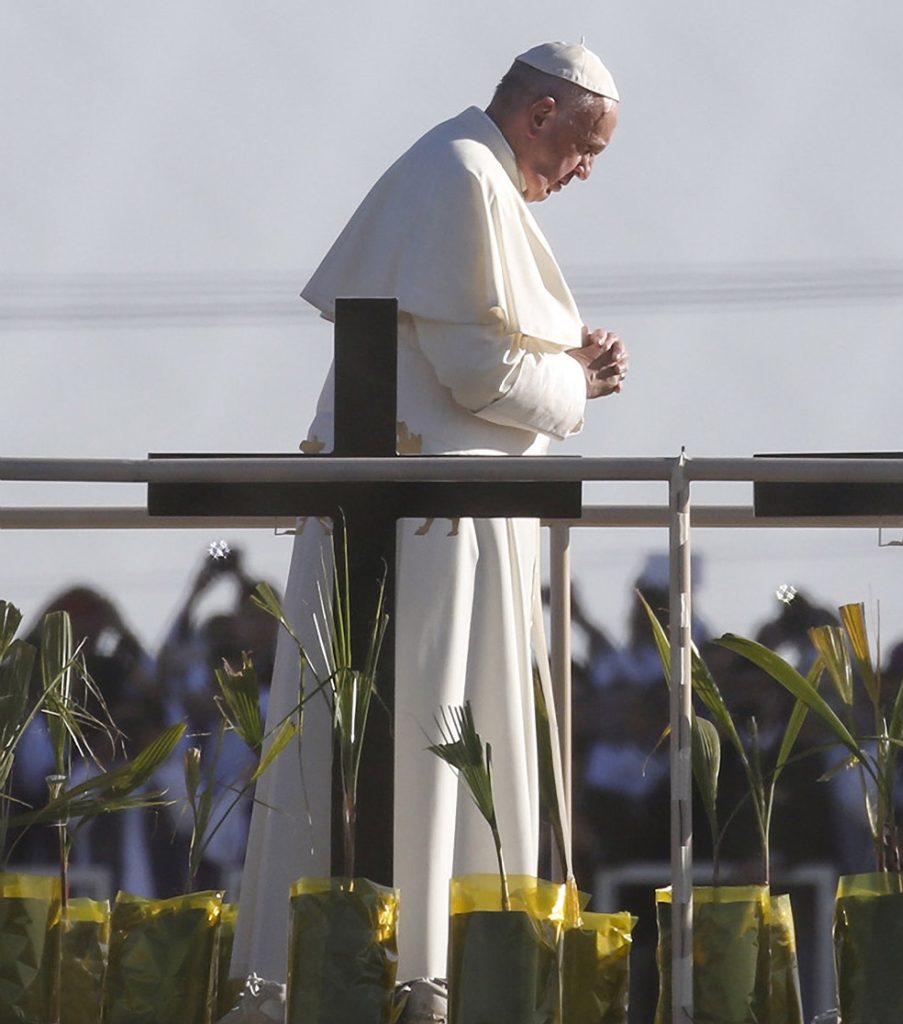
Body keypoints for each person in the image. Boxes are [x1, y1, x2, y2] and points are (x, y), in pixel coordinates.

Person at [232, 40, 629, 986]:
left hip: (445, 520)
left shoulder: (467, 174)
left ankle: (417, 968)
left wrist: (564, 370)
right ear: (540, 115)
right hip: (424, 527)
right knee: (426, 738)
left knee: (445, 741)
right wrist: (578, 384)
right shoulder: (456, 176)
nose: (583, 172)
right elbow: (478, 372)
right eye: (585, 147)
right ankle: (409, 973)